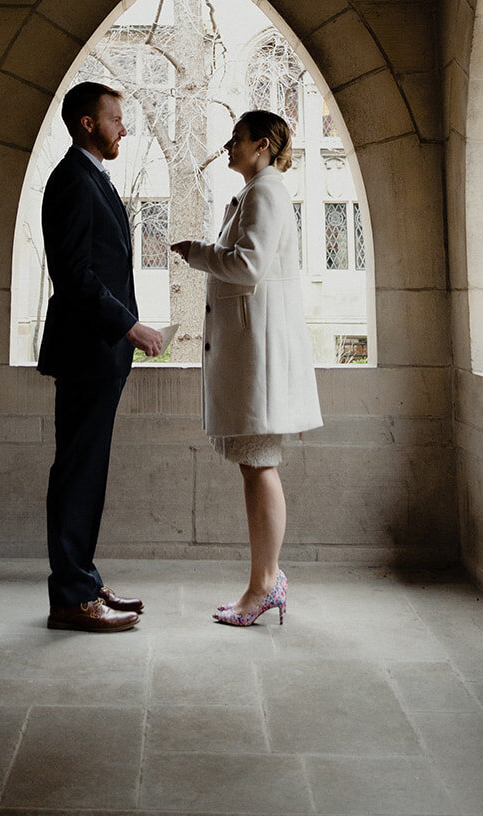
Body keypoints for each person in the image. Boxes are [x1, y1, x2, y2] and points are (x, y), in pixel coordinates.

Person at [171, 109, 322, 627]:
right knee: (255, 466)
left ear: (261, 145)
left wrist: (197, 253)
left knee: (260, 467)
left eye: (237, 138)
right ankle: (263, 581)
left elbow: (249, 265)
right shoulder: (260, 191)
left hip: (259, 354)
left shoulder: (265, 192)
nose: (229, 146)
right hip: (251, 351)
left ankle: (265, 585)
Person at [39, 80, 163, 632]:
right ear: (88, 123)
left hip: (100, 353)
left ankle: (83, 582)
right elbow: (74, 277)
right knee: (78, 473)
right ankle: (70, 596)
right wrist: (129, 326)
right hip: (89, 350)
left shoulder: (92, 177)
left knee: (88, 472)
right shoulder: (71, 180)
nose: (125, 129)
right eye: (116, 119)